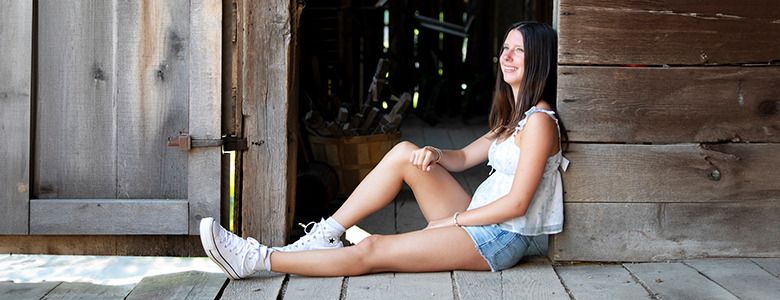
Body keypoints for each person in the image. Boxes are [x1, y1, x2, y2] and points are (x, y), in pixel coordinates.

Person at [200, 21, 568, 279]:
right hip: (480, 219)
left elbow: (518, 204)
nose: (507, 56)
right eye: (505, 48)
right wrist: (436, 154)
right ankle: (326, 234)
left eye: (519, 51)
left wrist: (451, 221)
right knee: (407, 151)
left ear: (538, 59)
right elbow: (464, 157)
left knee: (373, 248)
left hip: (500, 239)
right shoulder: (516, 118)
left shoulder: (539, 122)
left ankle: (257, 260)